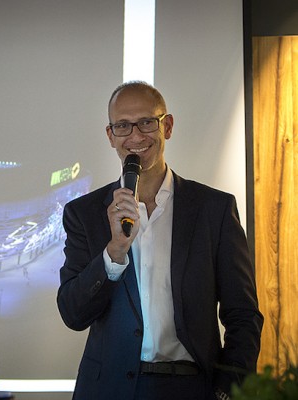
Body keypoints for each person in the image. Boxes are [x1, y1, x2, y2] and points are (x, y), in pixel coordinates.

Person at [57, 81, 263, 400]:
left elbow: (242, 313)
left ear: (166, 126)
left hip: (191, 387)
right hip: (108, 389)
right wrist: (115, 251)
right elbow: (73, 314)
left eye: (146, 122)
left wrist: (228, 390)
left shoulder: (214, 208)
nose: (136, 136)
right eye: (123, 125)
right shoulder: (83, 213)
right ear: (111, 135)